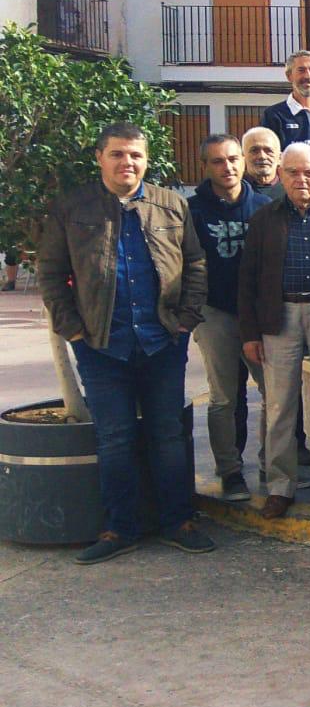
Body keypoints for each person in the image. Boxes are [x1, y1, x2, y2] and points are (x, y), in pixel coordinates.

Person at [37, 122, 213, 563]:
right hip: (101, 344)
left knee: (168, 435)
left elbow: (194, 263)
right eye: (117, 154)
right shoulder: (73, 207)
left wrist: (186, 321)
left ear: (146, 159)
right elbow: (51, 274)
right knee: (114, 438)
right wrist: (73, 330)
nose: (127, 163)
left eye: (135, 155)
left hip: (161, 342)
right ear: (100, 157)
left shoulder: (170, 205)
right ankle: (120, 528)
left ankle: (178, 520)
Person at [238, 143, 310, 517]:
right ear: (281, 175)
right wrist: (250, 332)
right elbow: (247, 280)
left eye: (309, 172)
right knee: (281, 405)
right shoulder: (264, 219)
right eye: (293, 172)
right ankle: (280, 486)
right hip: (279, 314)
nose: (302, 179)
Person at [186, 134, 269, 503]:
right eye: (219, 161)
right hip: (215, 312)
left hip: (259, 315)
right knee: (224, 397)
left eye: (234, 159)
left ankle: (274, 463)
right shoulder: (193, 211)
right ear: (206, 166)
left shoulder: (263, 206)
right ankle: (230, 471)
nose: (229, 167)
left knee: (276, 395)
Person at [241, 126, 284, 198]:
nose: (262, 156)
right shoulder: (234, 191)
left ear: (280, 158)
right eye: (254, 150)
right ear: (243, 157)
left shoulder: (291, 191)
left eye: (268, 151)